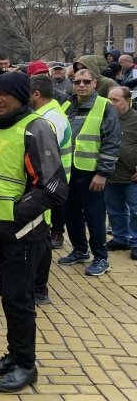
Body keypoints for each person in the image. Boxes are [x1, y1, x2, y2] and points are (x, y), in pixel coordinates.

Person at [0, 71, 68, 392]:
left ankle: (26, 365)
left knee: (19, 299)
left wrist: (15, 213)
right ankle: (14, 355)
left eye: (5, 95)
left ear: (23, 97)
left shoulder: (35, 128)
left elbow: (53, 188)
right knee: (9, 296)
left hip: (23, 234)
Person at [57, 68, 120, 276]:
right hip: (68, 171)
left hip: (92, 173)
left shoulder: (104, 106)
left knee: (94, 216)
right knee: (71, 214)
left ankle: (101, 257)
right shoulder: (66, 105)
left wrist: (102, 173)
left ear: (94, 83)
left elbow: (111, 142)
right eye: (77, 82)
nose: (81, 85)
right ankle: (79, 250)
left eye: (86, 82)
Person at [29, 75, 72, 304]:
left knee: (41, 237)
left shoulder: (52, 119)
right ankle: (30, 283)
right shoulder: (46, 114)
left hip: (47, 185)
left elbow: (41, 151)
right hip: (46, 183)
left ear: (35, 94)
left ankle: (39, 289)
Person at [103, 86, 137, 259]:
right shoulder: (106, 118)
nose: (111, 103)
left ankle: (136, 242)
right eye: (109, 99)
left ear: (127, 101)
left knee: (136, 210)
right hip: (111, 174)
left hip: (132, 176)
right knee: (115, 210)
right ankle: (120, 238)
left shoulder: (135, 119)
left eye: (116, 100)